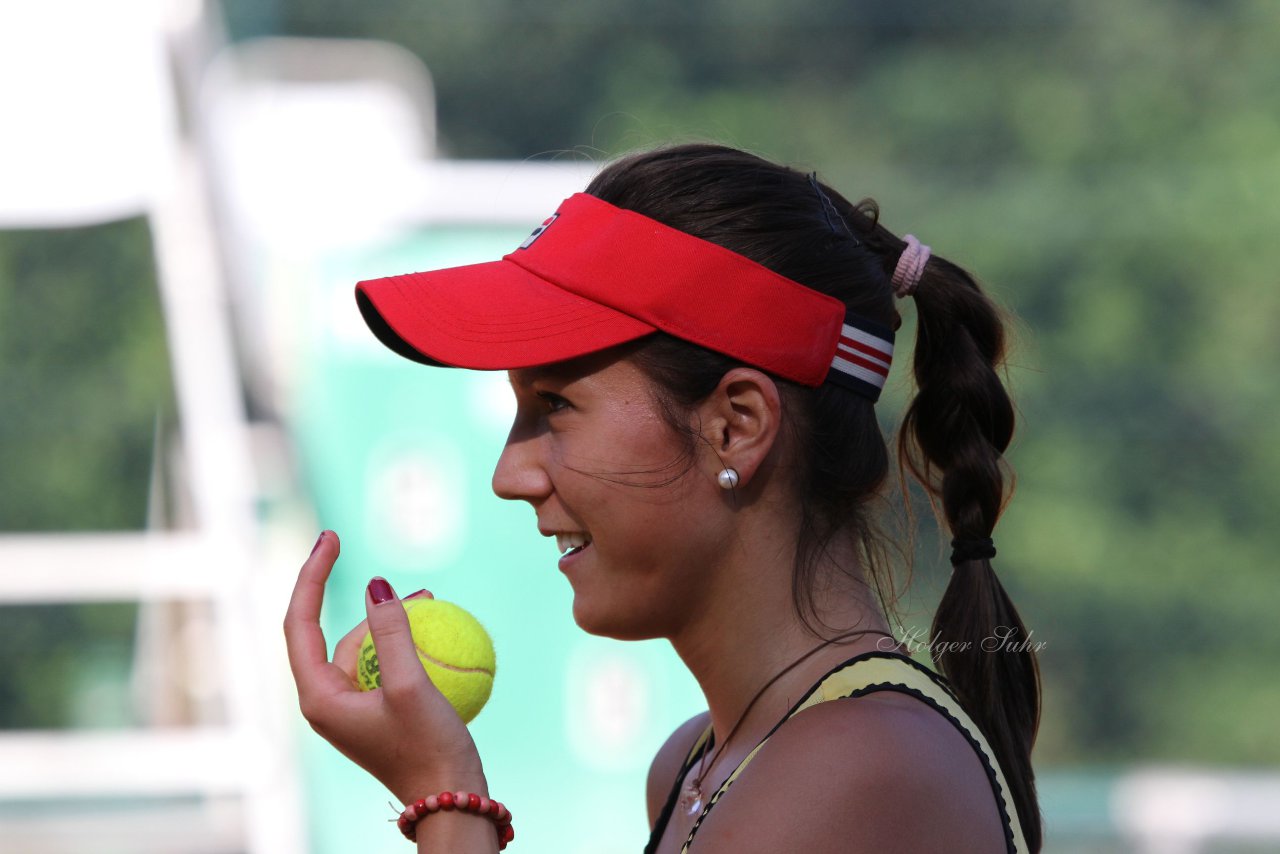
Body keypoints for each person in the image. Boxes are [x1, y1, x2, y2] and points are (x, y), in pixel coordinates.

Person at [284, 143, 1042, 853]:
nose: (509, 476)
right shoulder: (694, 764)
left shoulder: (856, 767)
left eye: (554, 405)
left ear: (736, 427)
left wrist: (445, 802)